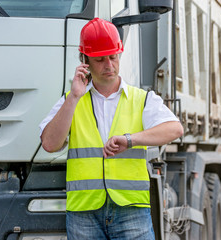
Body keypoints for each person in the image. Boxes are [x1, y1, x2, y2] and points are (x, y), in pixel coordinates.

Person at [39, 17, 183, 240]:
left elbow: (174, 129)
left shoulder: (141, 99)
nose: (109, 65)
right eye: (100, 59)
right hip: (84, 212)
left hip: (131, 209)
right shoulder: (72, 101)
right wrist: (75, 94)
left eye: (113, 57)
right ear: (85, 61)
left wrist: (130, 140)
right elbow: (49, 144)